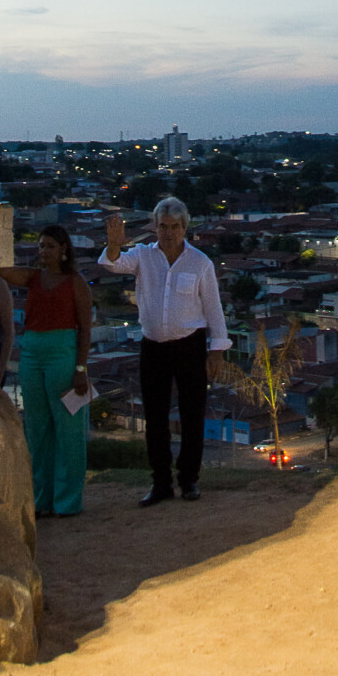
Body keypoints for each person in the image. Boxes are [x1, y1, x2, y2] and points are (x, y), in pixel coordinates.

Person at [100, 198, 230, 507]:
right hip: (153, 346)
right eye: (163, 227)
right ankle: (160, 482)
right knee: (155, 416)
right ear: (155, 227)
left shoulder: (200, 262)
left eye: (174, 227)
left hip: (190, 345)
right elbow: (112, 264)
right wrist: (114, 244)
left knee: (192, 414)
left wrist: (217, 351)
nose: (168, 233)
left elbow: (214, 309)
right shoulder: (142, 256)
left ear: (185, 228)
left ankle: (189, 479)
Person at [0, 226, 93, 518]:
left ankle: (67, 501)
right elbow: (2, 270)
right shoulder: (33, 277)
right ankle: (40, 499)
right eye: (40, 246)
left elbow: (85, 329)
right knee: (36, 428)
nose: (43, 251)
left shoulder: (76, 282)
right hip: (32, 353)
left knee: (68, 428)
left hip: (62, 354)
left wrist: (80, 368)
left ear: (64, 249)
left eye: (50, 246)